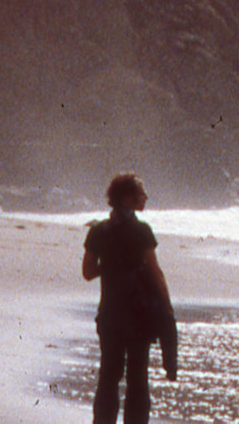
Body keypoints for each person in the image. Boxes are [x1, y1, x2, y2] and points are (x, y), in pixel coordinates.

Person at [82, 173, 177, 424]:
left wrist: (110, 265)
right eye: (140, 193)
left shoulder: (98, 231)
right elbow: (155, 271)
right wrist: (167, 308)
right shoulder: (141, 230)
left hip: (110, 315)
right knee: (138, 378)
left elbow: (88, 272)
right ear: (126, 199)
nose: (145, 197)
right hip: (139, 315)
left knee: (108, 376)